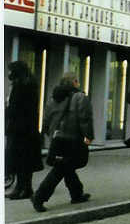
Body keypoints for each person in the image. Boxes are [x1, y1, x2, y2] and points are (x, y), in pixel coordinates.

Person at [32, 72, 93, 212]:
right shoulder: (80, 97)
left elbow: (46, 118)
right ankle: (39, 196)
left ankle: (77, 193)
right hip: (73, 138)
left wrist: (49, 133)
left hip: (58, 138)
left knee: (66, 166)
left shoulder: (54, 98)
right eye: (77, 81)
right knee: (61, 168)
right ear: (75, 82)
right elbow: (85, 118)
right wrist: (88, 136)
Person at [5, 61, 43, 199]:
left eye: (10, 71)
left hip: (20, 130)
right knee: (23, 161)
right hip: (26, 130)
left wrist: (7, 112)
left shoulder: (22, 86)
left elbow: (15, 108)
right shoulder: (27, 84)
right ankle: (23, 188)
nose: (8, 74)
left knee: (21, 160)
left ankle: (23, 188)